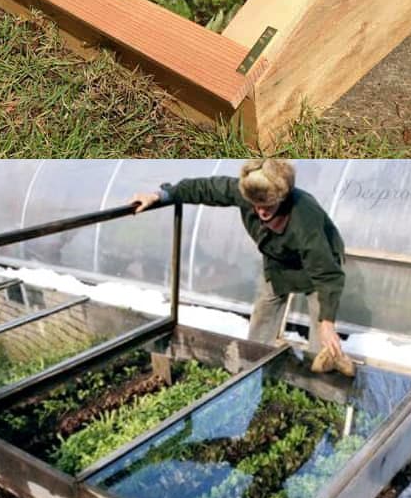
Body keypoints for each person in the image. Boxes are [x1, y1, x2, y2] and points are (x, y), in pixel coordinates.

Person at [132, 159, 355, 375]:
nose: (261, 212)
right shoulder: (248, 190)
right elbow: (204, 188)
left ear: (282, 197)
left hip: (319, 261)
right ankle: (255, 365)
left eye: (268, 205)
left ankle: (319, 377)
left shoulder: (304, 216)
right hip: (279, 259)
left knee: (322, 327)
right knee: (264, 310)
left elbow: (326, 273)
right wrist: (161, 195)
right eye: (256, 205)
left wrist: (327, 321)